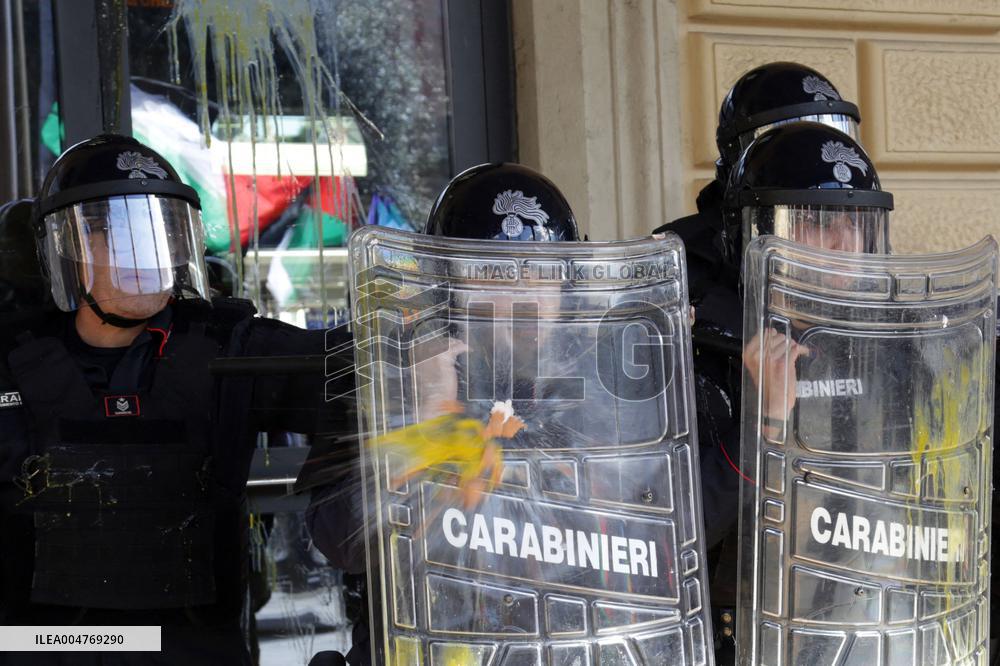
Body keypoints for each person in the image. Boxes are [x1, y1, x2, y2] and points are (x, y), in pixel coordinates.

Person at [0, 134, 355, 665]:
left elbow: (348, 371)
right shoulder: (13, 358)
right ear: (69, 248)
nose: (145, 253)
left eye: (160, 232)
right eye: (118, 235)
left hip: (189, 652)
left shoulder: (225, 348)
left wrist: (432, 353)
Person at [304, 162, 584, 665]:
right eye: (493, 274)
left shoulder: (597, 386)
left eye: (543, 271)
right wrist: (430, 420)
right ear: (447, 288)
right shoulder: (383, 372)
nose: (524, 295)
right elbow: (340, 541)